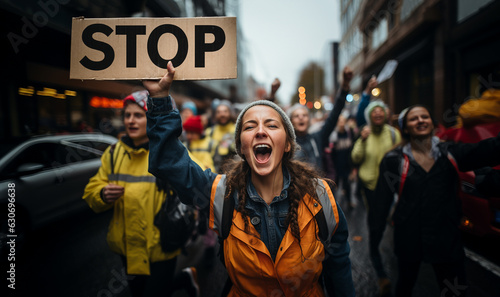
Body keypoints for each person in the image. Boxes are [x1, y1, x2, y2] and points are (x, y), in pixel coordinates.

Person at [144, 61, 355, 296]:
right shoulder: (220, 194)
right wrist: (160, 100)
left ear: (287, 145)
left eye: (272, 125)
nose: (260, 131)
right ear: (242, 148)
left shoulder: (320, 195)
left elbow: (339, 268)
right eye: (250, 126)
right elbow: (170, 164)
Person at [372, 105, 500, 296]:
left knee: (455, 291)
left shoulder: (450, 153)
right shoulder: (393, 161)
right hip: (409, 240)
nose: (421, 120)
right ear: (405, 128)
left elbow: (487, 150)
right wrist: (374, 239)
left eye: (425, 117)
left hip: (446, 240)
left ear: (432, 124)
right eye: (414, 119)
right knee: (405, 287)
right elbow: (380, 204)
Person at [82, 90, 199, 297]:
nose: (131, 121)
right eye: (127, 115)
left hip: (161, 244)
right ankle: (184, 278)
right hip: (128, 247)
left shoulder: (168, 152)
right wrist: (102, 193)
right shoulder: (113, 152)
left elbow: (196, 182)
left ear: (152, 119)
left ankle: (182, 278)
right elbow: (92, 189)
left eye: (138, 115)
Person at [350, 99, 401, 295]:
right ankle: (380, 272)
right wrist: (362, 140)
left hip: (391, 186)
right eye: (374, 111)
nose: (378, 114)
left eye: (381, 111)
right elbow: (355, 158)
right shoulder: (364, 133)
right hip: (370, 186)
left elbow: (401, 155)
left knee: (392, 220)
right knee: (376, 226)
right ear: (370, 116)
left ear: (386, 115)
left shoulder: (393, 133)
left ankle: (396, 261)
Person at [287, 66, 353, 173]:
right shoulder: (287, 143)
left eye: (304, 115)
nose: (301, 118)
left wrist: (344, 87)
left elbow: (333, 116)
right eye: (296, 116)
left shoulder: (318, 137)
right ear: (290, 121)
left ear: (309, 119)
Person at [330, 114, 356, 209]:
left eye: (343, 121)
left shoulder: (349, 133)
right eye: (339, 121)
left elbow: (352, 149)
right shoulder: (333, 135)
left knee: (347, 184)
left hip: (346, 165)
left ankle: (349, 202)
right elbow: (331, 152)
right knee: (334, 186)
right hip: (336, 165)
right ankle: (333, 205)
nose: (341, 123)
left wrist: (352, 167)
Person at [205, 99, 237, 172]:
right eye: (219, 112)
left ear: (230, 113)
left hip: (233, 173)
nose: (222, 114)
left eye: (225, 111)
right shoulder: (209, 132)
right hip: (213, 174)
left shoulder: (237, 130)